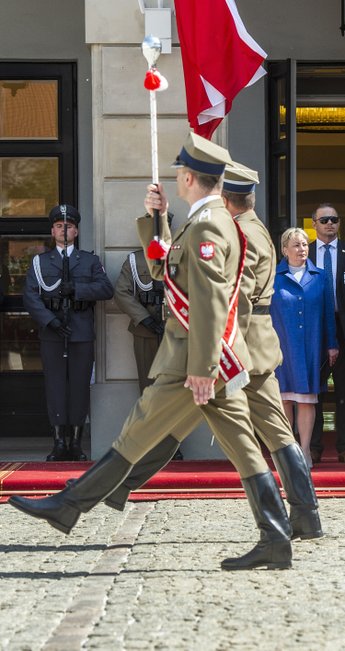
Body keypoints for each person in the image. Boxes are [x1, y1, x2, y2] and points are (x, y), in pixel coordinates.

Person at [10, 133, 295, 570]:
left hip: (193, 359)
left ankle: (69, 505)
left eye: (179, 173)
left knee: (138, 430)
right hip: (210, 356)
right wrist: (156, 218)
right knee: (242, 443)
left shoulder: (208, 226)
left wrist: (202, 366)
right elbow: (165, 267)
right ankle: (276, 538)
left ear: (189, 177)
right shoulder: (206, 221)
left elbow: (211, 300)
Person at [104, 162, 324, 542]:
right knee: (261, 430)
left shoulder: (246, 234)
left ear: (227, 199)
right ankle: (305, 517)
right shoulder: (244, 228)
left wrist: (212, 346)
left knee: (185, 420)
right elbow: (170, 265)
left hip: (239, 350)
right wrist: (158, 219)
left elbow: (235, 294)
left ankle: (117, 484)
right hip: (241, 349)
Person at [23, 204, 114, 461]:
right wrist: (49, 321)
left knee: (79, 386)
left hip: (80, 332)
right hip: (52, 332)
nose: (65, 230)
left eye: (70, 226)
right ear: (53, 230)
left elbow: (106, 289)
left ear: (77, 231)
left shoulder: (89, 260)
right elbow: (30, 296)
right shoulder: (40, 262)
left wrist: (77, 290)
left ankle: (75, 442)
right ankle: (58, 442)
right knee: (55, 386)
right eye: (60, 226)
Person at [113, 215, 183, 461]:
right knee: (148, 388)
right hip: (146, 332)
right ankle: (152, 443)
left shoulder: (180, 254)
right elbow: (122, 292)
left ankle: (172, 444)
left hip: (176, 333)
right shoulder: (134, 260)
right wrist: (145, 319)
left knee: (176, 389)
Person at [271, 228, 338, 466]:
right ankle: (288, 452)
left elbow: (328, 312)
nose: (302, 249)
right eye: (296, 245)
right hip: (282, 347)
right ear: (284, 250)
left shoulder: (319, 276)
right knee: (285, 400)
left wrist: (332, 344)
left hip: (311, 345)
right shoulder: (272, 276)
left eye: (304, 245)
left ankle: (306, 450)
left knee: (307, 400)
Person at [309, 203, 345, 464]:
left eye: (334, 219)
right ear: (314, 223)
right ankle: (314, 445)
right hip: (315, 328)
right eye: (324, 219)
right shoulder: (304, 252)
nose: (330, 223)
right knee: (315, 389)